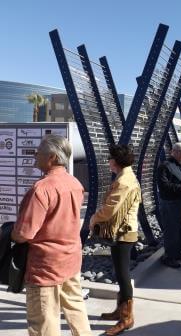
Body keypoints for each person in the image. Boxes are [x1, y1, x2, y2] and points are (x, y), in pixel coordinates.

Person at [11, 134, 92, 336]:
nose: (35, 155)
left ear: (53, 157)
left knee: (44, 321)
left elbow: (24, 233)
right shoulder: (75, 184)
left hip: (45, 266)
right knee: (76, 309)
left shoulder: (41, 189)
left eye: (39, 152)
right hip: (71, 259)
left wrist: (9, 236)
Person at [89, 144, 141, 336]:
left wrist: (94, 218)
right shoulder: (125, 176)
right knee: (120, 273)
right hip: (123, 232)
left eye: (110, 159)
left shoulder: (124, 181)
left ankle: (127, 318)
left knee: (123, 275)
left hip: (123, 233)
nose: (109, 162)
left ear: (117, 161)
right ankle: (121, 311)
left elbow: (111, 208)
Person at [157, 142, 181, 268]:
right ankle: (169, 256)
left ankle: (176, 252)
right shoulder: (165, 166)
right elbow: (163, 186)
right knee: (171, 230)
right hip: (170, 203)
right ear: (175, 152)